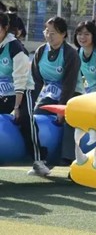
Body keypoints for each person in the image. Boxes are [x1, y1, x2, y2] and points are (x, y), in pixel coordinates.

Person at [0, 12, 49, 176]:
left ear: (5, 28)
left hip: (22, 91)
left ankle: (39, 160)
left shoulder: (15, 47)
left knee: (26, 118)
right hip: (2, 93)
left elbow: (20, 79)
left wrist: (17, 107)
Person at [33, 16, 81, 166]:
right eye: (47, 31)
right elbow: (36, 82)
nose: (49, 35)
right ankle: (38, 153)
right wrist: (31, 105)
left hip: (72, 94)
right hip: (50, 94)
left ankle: (67, 157)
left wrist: (61, 108)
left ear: (63, 34)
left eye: (53, 32)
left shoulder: (71, 54)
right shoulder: (41, 51)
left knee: (69, 119)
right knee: (36, 116)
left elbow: (69, 85)